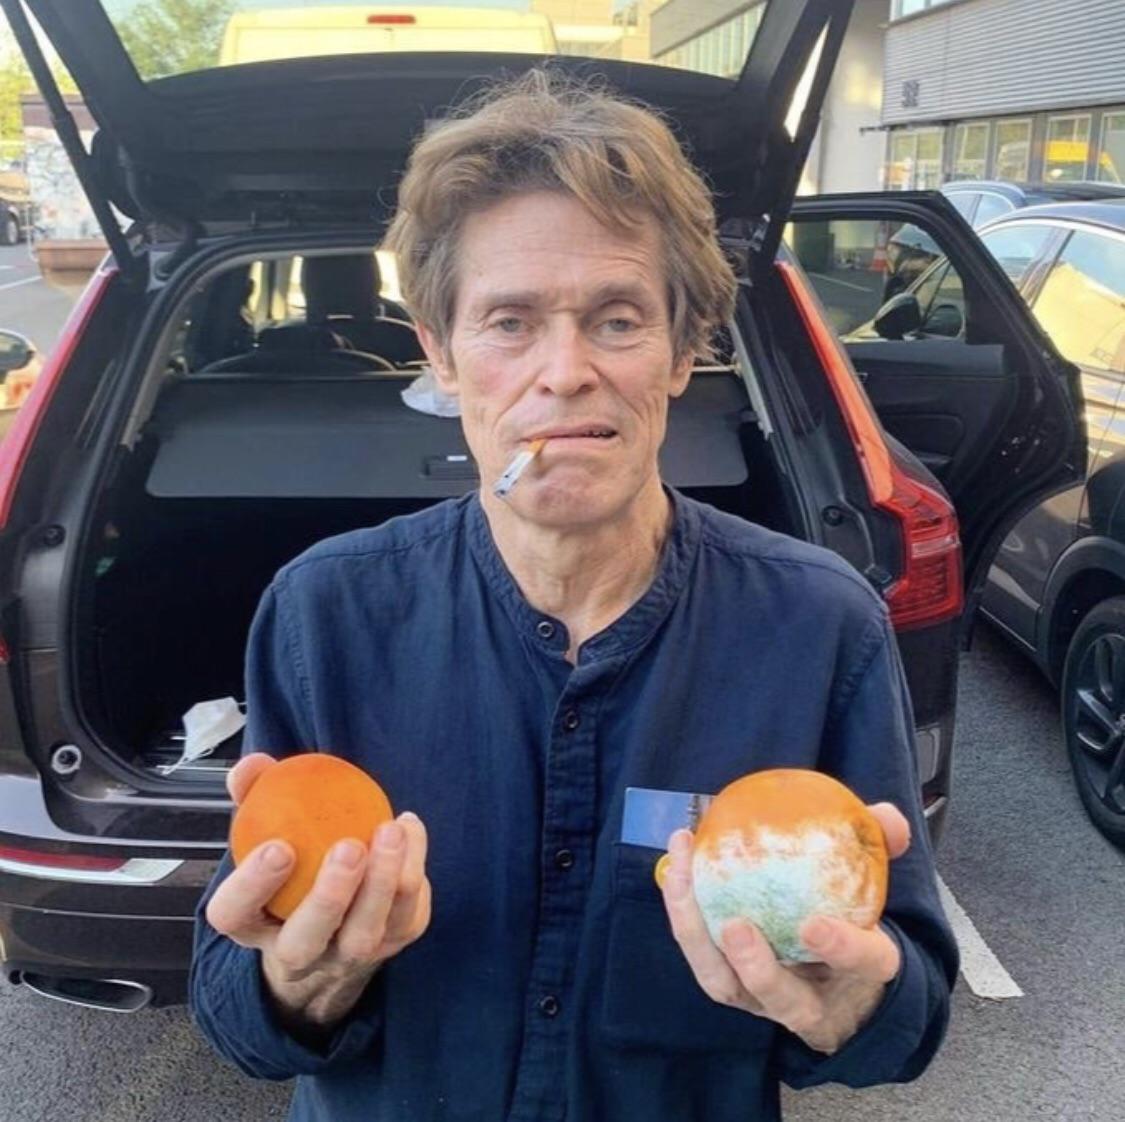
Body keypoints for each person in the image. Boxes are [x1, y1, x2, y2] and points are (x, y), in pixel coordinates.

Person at [189, 69, 958, 1122]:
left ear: (684, 350)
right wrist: (288, 989)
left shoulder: (820, 629)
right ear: (442, 355)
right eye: (509, 322)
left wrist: (855, 1010)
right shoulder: (326, 614)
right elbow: (236, 1010)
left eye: (617, 320)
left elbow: (905, 1018)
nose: (564, 372)